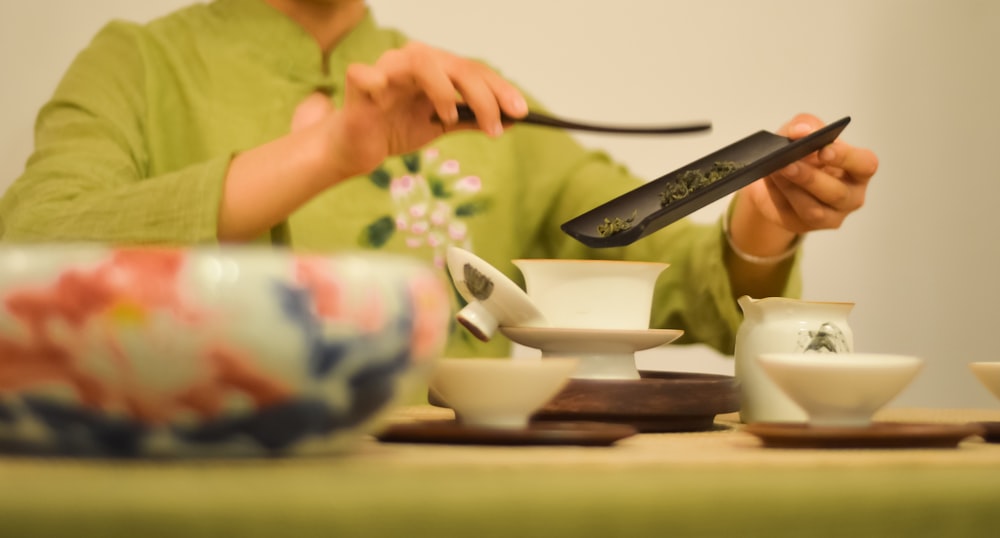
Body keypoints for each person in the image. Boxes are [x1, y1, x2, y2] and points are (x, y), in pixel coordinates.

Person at [0, 0, 878, 359]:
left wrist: (766, 213)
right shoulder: (140, 64)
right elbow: (29, 246)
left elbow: (672, 283)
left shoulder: (468, 94)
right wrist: (325, 154)